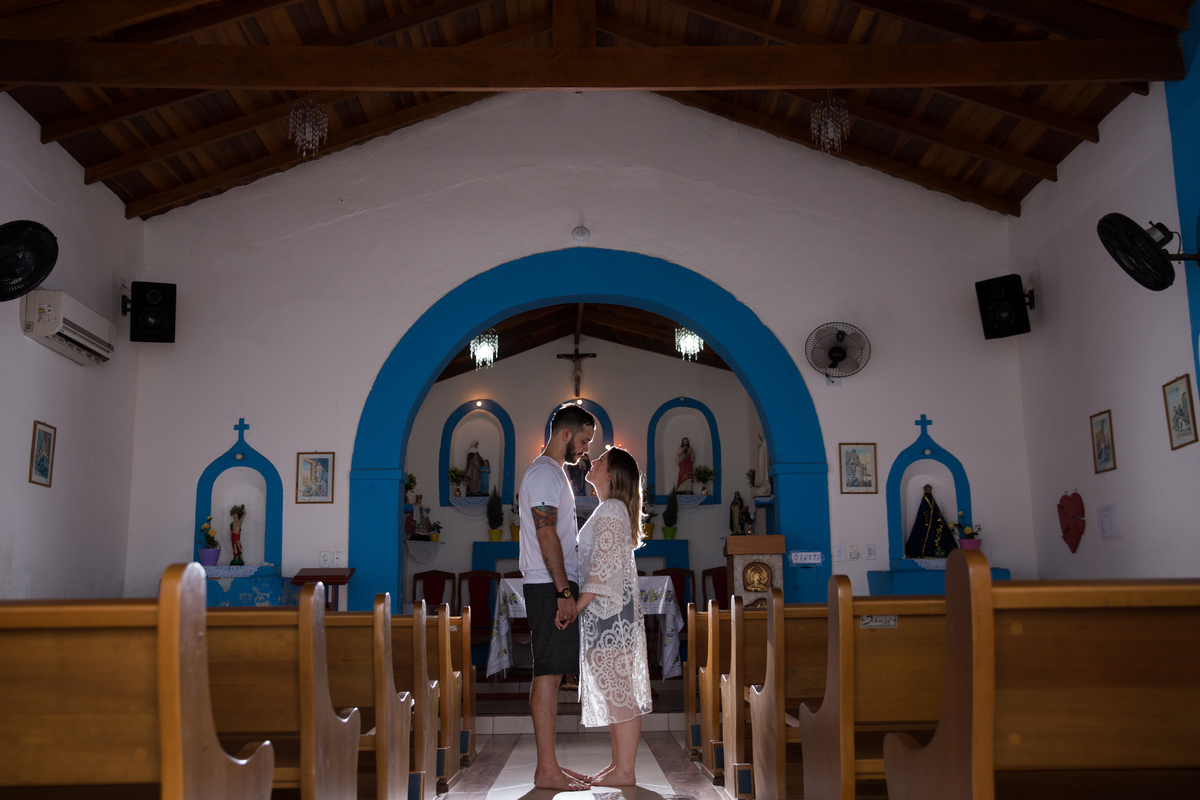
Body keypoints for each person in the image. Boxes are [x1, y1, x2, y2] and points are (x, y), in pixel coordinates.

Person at [518, 404, 596, 790]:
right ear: (566, 434)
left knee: (550, 670)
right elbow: (546, 534)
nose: (586, 449)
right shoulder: (545, 474)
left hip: (553, 583)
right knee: (547, 672)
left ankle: (550, 767)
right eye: (583, 440)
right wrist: (564, 591)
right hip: (549, 585)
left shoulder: (553, 473)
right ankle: (547, 771)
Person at [576, 447, 652, 786]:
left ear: (611, 474)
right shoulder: (611, 508)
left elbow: (602, 568)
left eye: (602, 460)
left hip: (609, 614)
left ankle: (625, 771)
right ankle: (618, 765)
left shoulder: (610, 509)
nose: (593, 461)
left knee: (619, 691)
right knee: (614, 691)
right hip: (608, 612)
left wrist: (576, 606)